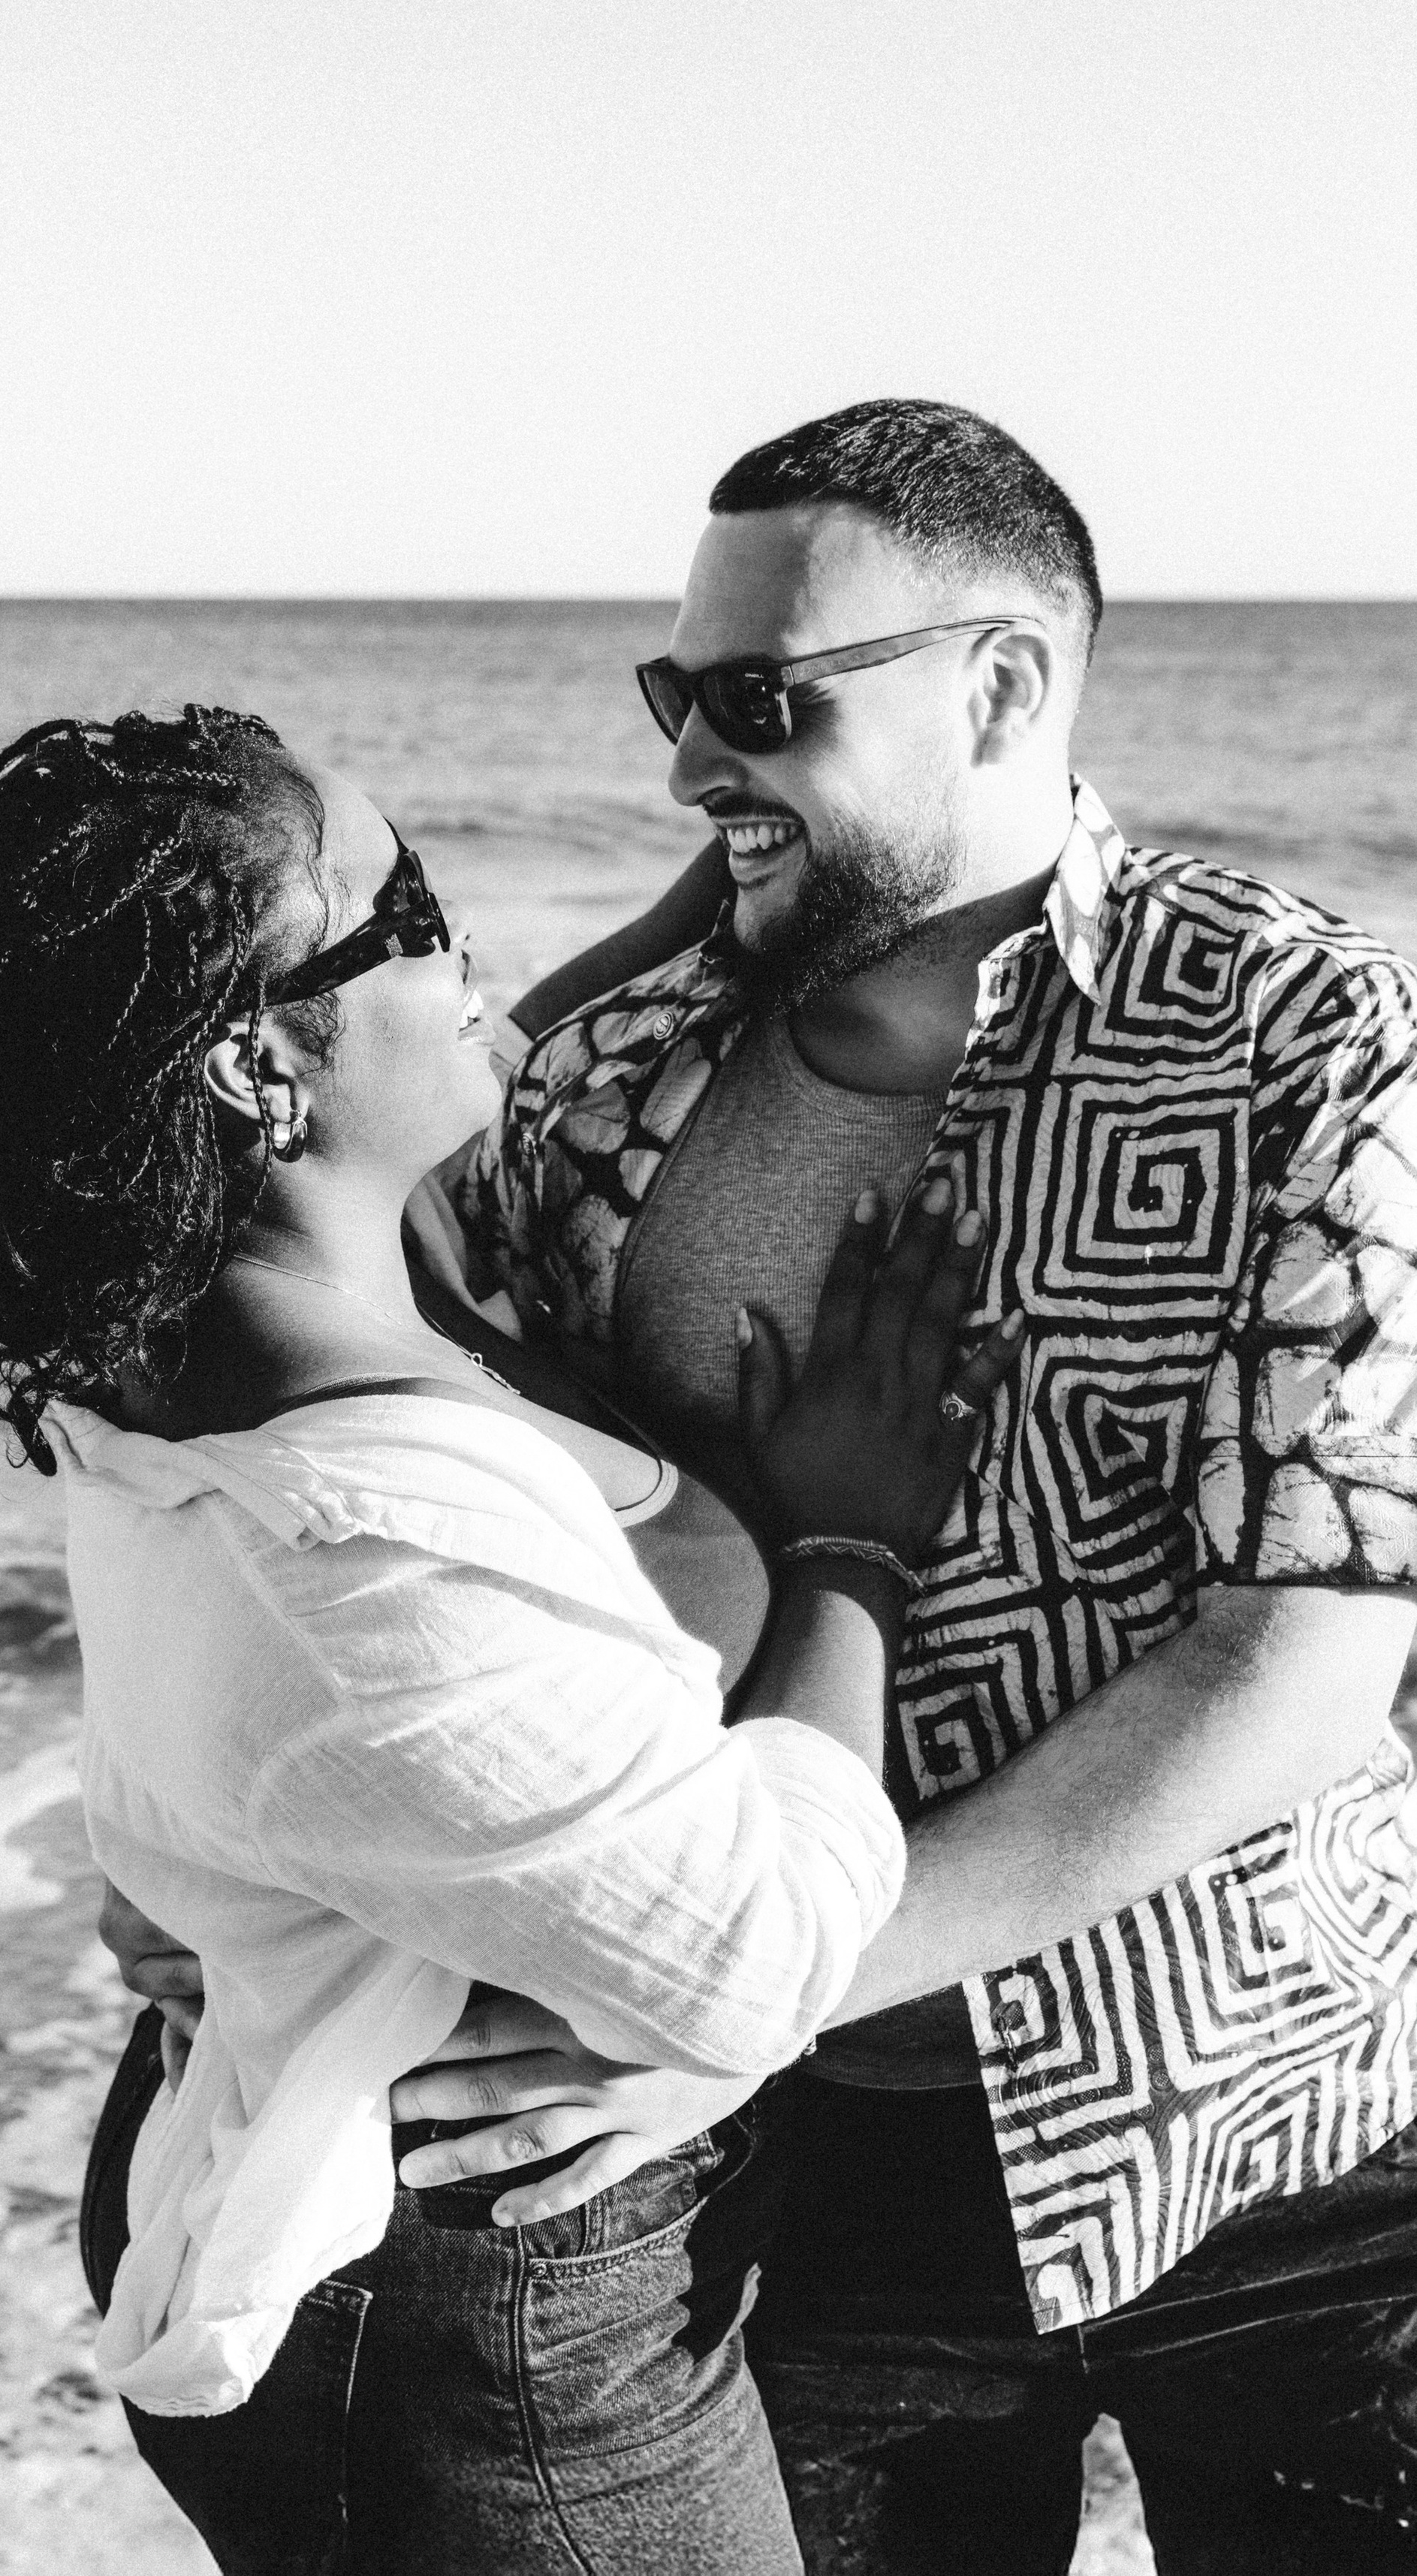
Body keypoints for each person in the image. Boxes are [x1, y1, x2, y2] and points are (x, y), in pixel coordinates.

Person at [0, 702, 1021, 2576]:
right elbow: (752, 1955)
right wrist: (852, 1536)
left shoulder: (299, 1276)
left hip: (434, 2226)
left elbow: (482, 1025)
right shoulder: (362, 1548)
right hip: (475, 2308)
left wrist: (755, 793)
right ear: (251, 1063)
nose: (476, 957)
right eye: (413, 907)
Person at [374, 399, 1417, 2572]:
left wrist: (761, 1988)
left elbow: (1301, 1653)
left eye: (758, 701)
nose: (685, 764)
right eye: (677, 696)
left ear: (1003, 684)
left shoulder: (1305, 1037)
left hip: (1286, 2138)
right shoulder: (608, 1076)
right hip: (801, 2176)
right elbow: (431, 1516)